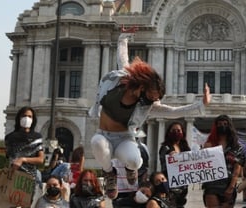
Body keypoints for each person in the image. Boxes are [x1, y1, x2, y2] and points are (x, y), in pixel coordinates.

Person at [88, 29, 211, 199]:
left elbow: (174, 112)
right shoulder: (121, 81)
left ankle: (131, 169)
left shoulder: (148, 106)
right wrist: (123, 38)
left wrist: (200, 104)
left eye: (156, 98)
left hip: (124, 137)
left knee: (134, 160)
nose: (153, 100)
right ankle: (110, 174)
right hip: (104, 134)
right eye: (152, 96)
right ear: (143, 87)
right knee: (97, 143)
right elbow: (122, 59)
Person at [4, 106, 44, 208]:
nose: (27, 119)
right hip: (13, 177)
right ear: (19, 118)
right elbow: (8, 157)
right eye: (24, 115)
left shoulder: (37, 137)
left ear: (33, 120)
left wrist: (24, 159)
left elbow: (41, 159)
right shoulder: (10, 138)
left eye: (30, 116)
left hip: (29, 178)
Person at [202, 115, 245, 208]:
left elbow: (237, 168)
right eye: (219, 123)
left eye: (225, 123)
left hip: (228, 185)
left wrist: (231, 186)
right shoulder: (209, 144)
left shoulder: (236, 146)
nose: (222, 126)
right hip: (212, 185)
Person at [159, 121, 191, 208]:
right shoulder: (165, 147)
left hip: (182, 185)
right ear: (169, 132)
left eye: (178, 130)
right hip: (170, 184)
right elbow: (165, 157)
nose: (176, 132)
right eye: (173, 130)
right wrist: (171, 155)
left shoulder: (185, 147)